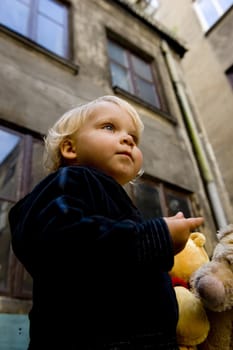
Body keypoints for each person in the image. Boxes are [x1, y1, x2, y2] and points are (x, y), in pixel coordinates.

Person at [9, 95, 204, 350]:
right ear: (70, 148)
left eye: (134, 137)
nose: (128, 139)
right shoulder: (73, 180)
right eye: (109, 127)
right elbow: (64, 241)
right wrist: (158, 237)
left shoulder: (113, 199)